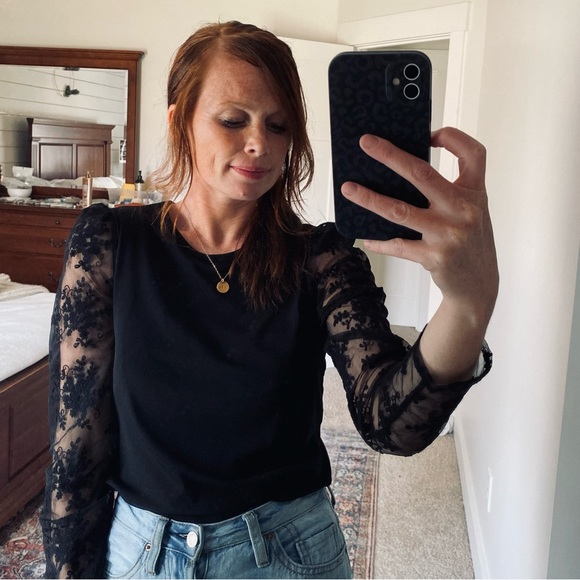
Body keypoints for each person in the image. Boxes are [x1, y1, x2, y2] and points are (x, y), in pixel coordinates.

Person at [40, 20, 498, 579]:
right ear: (180, 121)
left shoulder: (322, 259)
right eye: (233, 120)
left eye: (278, 125)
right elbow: (76, 444)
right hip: (142, 553)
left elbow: (393, 425)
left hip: (289, 554)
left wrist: (468, 304)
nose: (259, 143)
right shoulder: (108, 244)